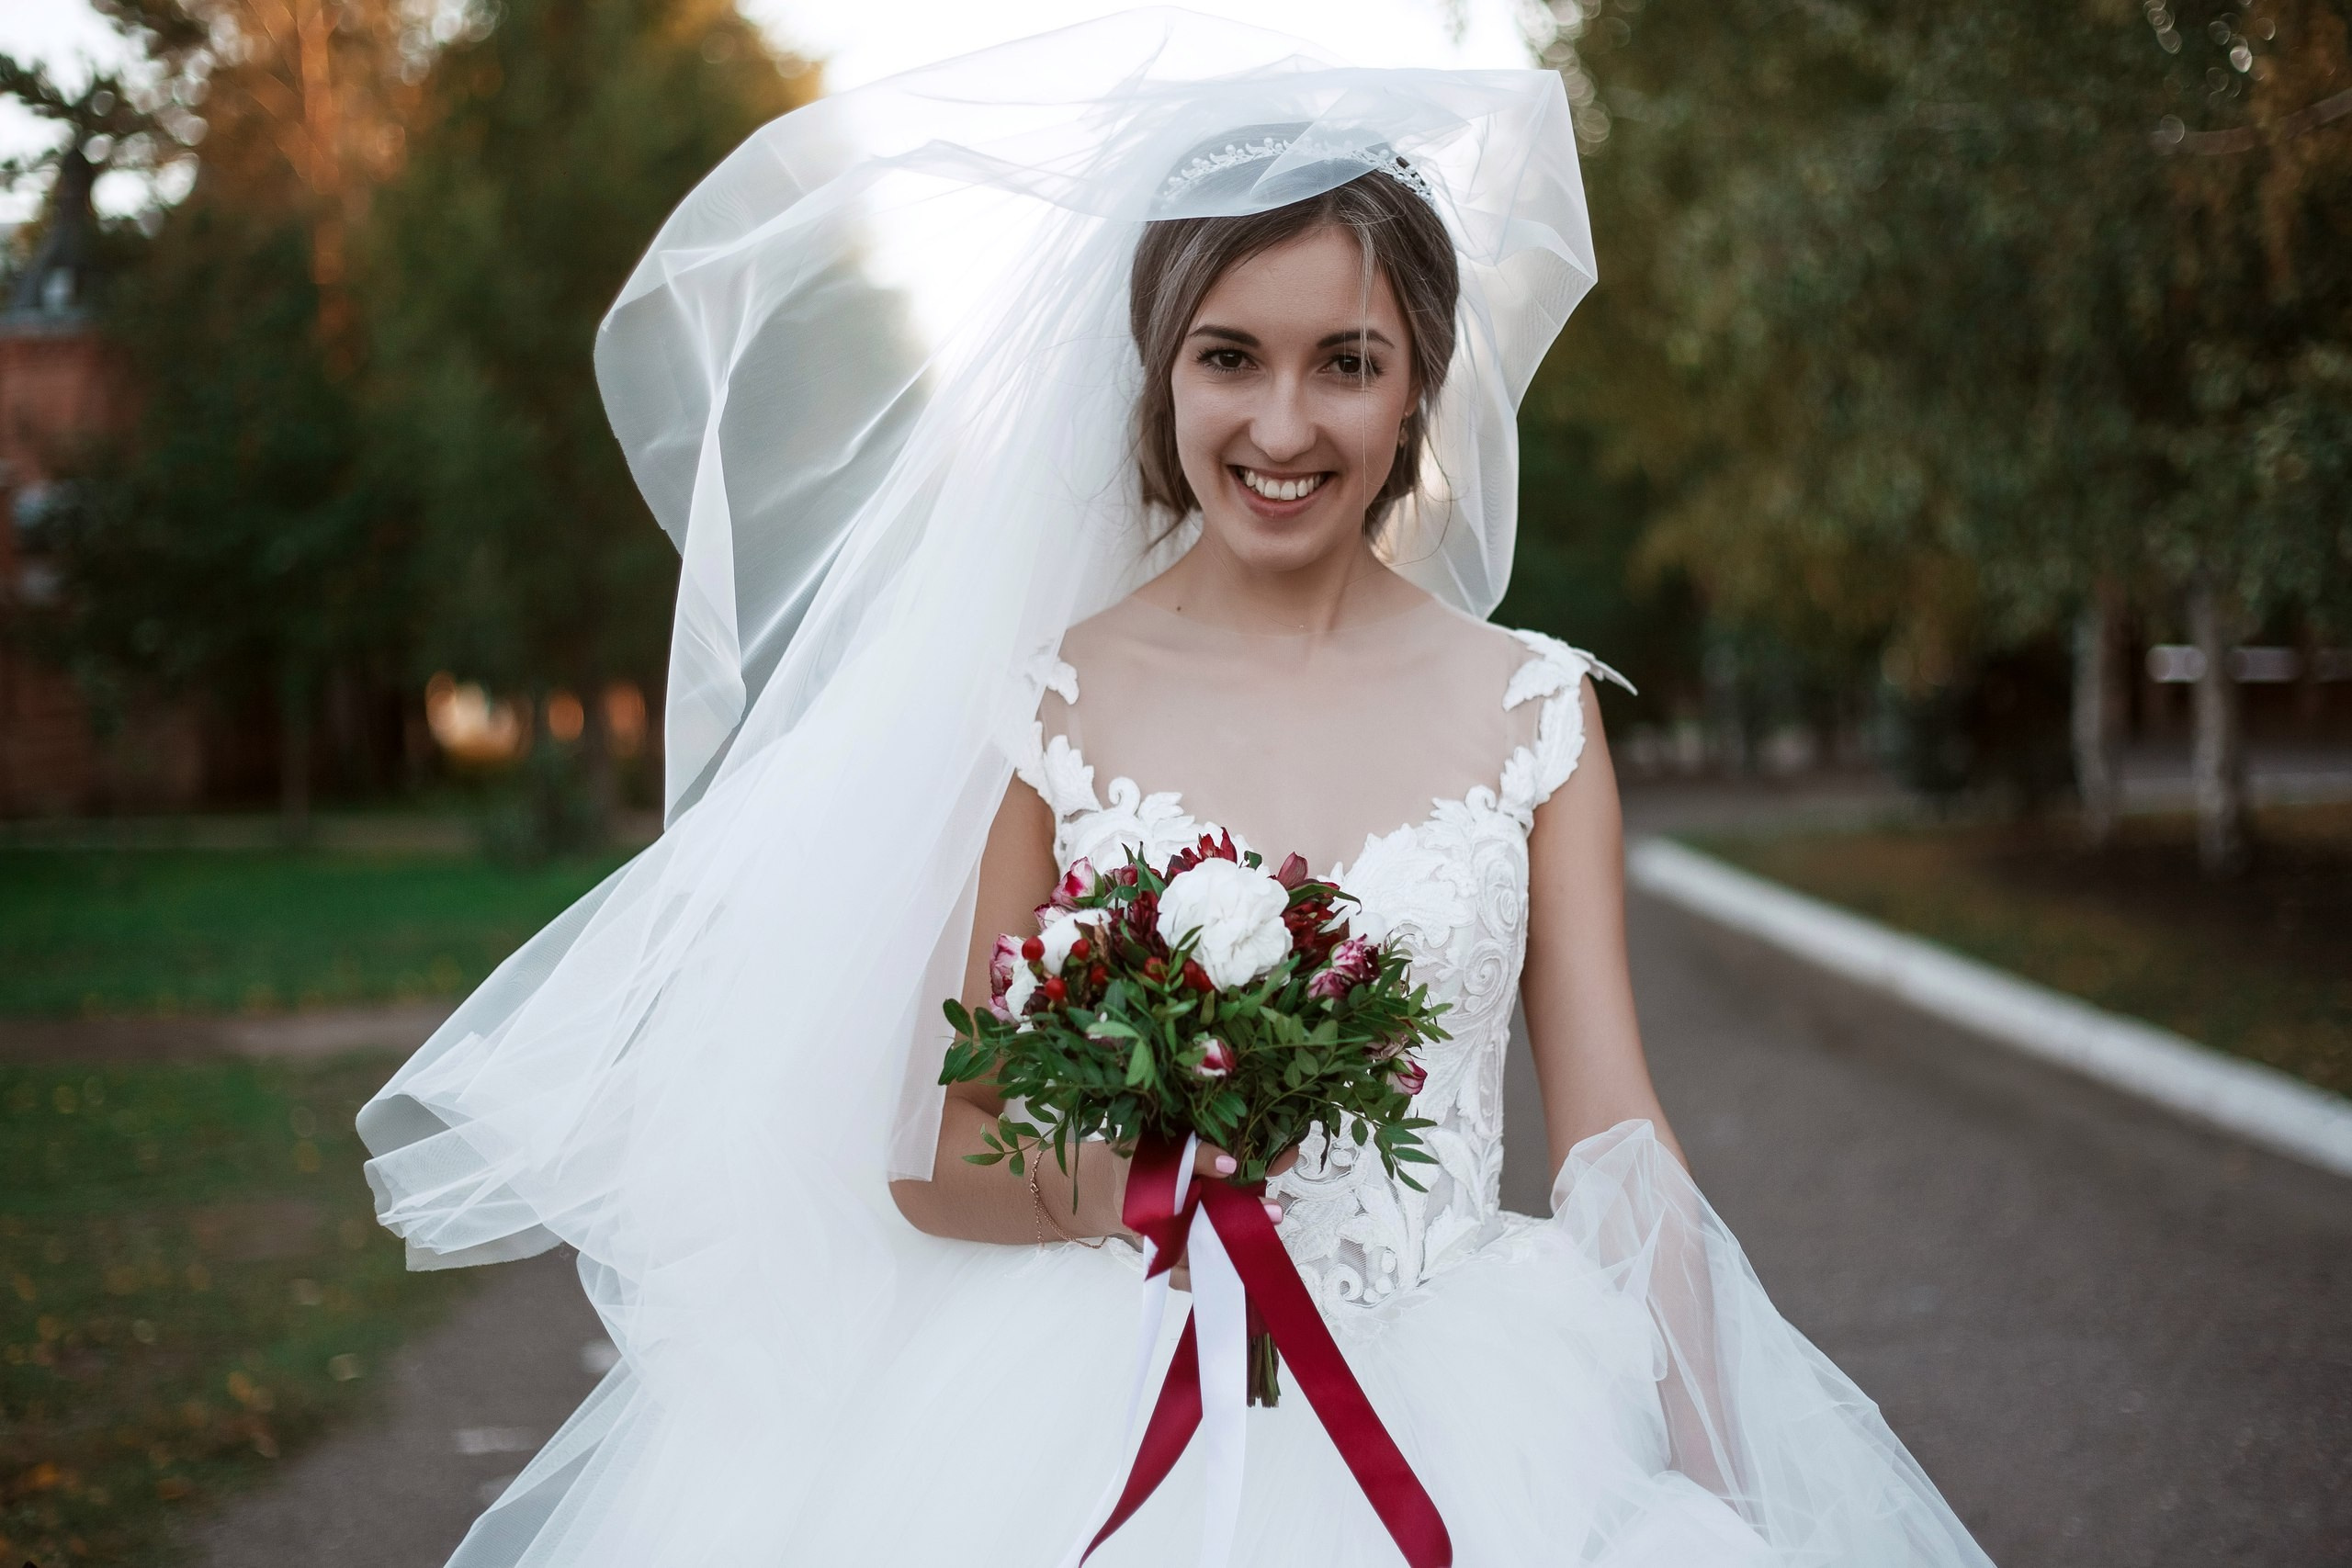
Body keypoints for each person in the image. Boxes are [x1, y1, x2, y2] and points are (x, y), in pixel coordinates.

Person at [360, 15, 1996, 1565]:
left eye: (1345, 363)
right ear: (1160, 369)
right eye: (1231, 358)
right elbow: (950, 1153)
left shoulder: (1536, 709)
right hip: (1092, 1384)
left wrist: (1712, 1475)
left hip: (1476, 1397)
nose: (1284, 424)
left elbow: (1616, 1135)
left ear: (1420, 376)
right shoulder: (1048, 707)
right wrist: (1173, 1178)